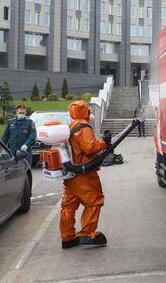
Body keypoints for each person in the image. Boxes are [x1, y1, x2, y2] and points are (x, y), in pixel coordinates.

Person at [60, 100, 111, 249]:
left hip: (71, 175)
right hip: (85, 175)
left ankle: (67, 237)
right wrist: (104, 142)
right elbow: (90, 148)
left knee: (69, 206)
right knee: (94, 201)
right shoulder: (83, 127)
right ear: (84, 112)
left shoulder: (70, 127)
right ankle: (87, 234)